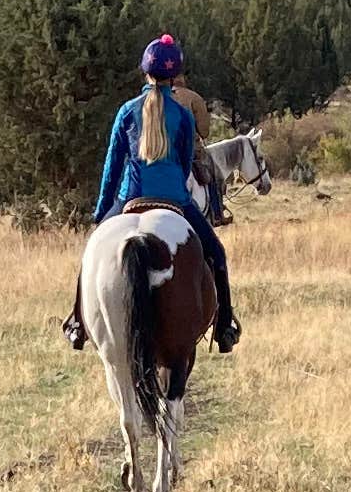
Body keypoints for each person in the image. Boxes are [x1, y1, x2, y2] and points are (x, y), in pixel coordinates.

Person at [67, 34, 240, 354]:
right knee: (216, 253)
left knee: (92, 250)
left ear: (145, 72)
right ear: (174, 76)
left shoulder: (126, 112)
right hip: (176, 201)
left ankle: (78, 321)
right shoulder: (184, 116)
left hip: (129, 197)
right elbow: (186, 161)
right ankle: (225, 324)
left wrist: (101, 212)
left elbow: (111, 168)